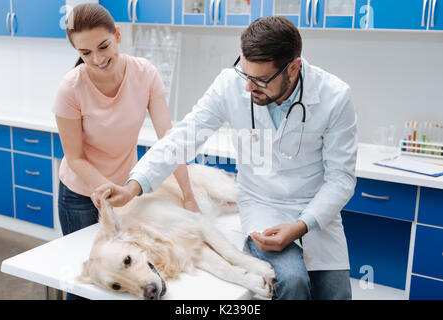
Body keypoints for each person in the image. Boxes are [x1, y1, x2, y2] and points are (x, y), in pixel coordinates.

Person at [92, 16, 357, 300]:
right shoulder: (230, 85)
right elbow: (182, 137)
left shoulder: (335, 96)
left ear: (293, 68)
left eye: (260, 80)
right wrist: (133, 186)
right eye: (245, 73)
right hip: (263, 204)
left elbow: (341, 178)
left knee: (336, 295)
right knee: (292, 283)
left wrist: (301, 225)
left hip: (315, 209)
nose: (247, 87)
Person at [53, 4, 200, 299]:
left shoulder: (145, 74)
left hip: (126, 195)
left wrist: (189, 196)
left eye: (103, 46)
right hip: (80, 197)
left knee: (128, 279)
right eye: (85, 53)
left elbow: (168, 141)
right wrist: (111, 192)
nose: (97, 59)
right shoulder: (70, 89)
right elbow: (75, 157)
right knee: (89, 283)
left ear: (117, 35)